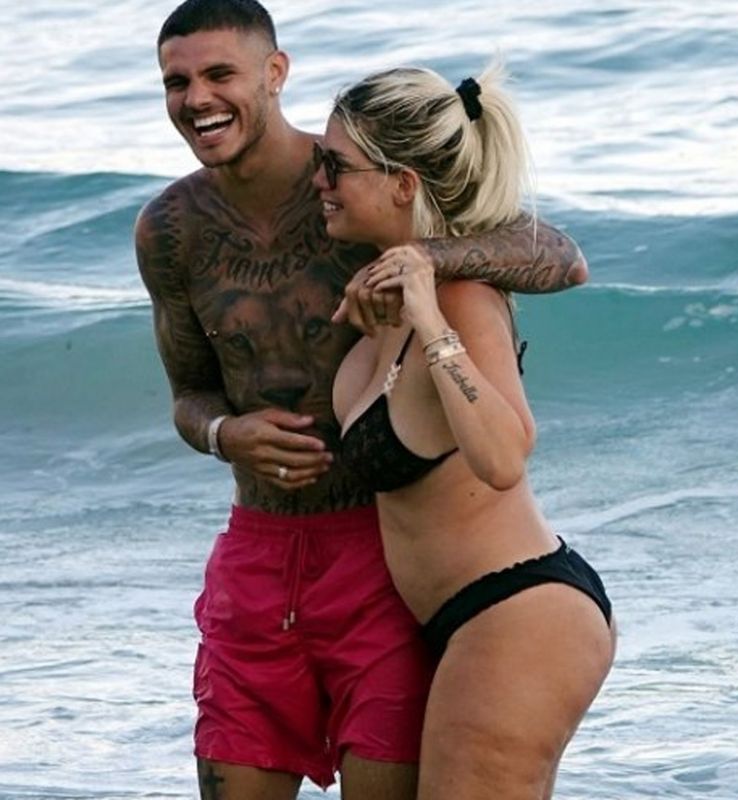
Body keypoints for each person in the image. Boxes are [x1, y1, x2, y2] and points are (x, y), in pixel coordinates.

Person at [135, 1, 589, 798]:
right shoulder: (170, 230)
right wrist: (223, 433)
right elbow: (189, 395)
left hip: (381, 558)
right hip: (256, 553)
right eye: (177, 82)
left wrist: (423, 261)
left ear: (276, 73)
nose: (197, 98)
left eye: (219, 74)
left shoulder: (354, 194)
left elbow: (556, 254)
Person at [316, 64, 616, 799]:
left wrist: (431, 323)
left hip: (518, 613)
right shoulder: (385, 297)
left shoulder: (463, 299)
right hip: (465, 619)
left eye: (336, 166)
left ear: (402, 184)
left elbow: (505, 456)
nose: (319, 180)